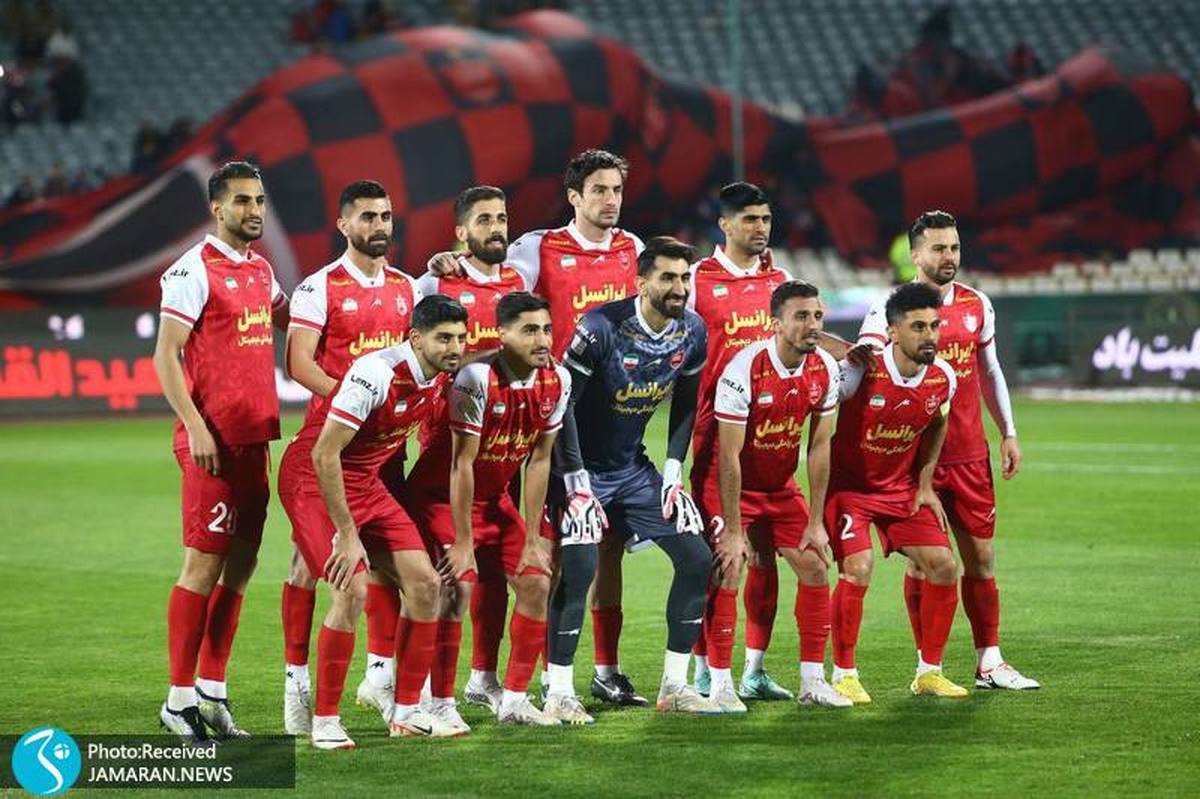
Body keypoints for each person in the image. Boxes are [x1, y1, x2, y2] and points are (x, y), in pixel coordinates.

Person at [429, 149, 646, 704]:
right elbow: (491, 276)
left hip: (610, 421)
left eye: (616, 189)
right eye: (599, 189)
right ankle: (520, 679)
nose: (610, 199)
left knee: (602, 547)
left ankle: (596, 670)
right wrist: (447, 261)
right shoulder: (536, 248)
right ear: (574, 196)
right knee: (548, 553)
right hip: (545, 416)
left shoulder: (633, 249)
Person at [277, 295, 469, 748]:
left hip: (365, 481)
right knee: (352, 589)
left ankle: (407, 710)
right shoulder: (376, 373)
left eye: (461, 338)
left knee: (427, 585)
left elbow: (479, 357)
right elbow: (324, 453)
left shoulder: (439, 374)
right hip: (312, 479)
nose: (455, 348)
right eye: (444, 338)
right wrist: (347, 535)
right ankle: (326, 720)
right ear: (415, 338)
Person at [856, 211, 1037, 690]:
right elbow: (868, 367)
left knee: (981, 558)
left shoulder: (977, 304)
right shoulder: (890, 309)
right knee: (924, 562)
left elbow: (990, 371)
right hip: (913, 459)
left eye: (954, 247)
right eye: (938, 248)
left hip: (969, 454)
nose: (949, 256)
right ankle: (927, 667)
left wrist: (1008, 432)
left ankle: (989, 661)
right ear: (916, 255)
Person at [544, 236, 718, 721]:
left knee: (696, 558)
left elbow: (686, 403)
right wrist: (575, 482)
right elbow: (564, 404)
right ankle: (558, 691)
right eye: (667, 277)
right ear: (641, 283)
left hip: (633, 470)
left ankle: (675, 686)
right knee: (579, 567)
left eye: (684, 278)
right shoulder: (600, 328)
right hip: (579, 470)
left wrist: (673, 472)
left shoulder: (692, 330)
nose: (679, 287)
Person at [153, 161, 289, 743]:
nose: (253, 210)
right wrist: (196, 428)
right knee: (203, 566)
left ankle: (212, 690)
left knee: (241, 567)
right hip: (211, 443)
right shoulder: (192, 270)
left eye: (259, 200)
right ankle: (178, 699)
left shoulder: (260, 269)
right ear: (217, 208)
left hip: (255, 439)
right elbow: (165, 355)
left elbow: (296, 315)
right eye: (241, 201)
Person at [280, 179, 421, 736]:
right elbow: (299, 363)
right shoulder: (319, 288)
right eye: (367, 217)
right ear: (343, 225)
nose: (379, 225)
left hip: (386, 454)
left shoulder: (408, 288)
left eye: (385, 216)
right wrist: (355, 402)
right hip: (332, 446)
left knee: (383, 563)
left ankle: (380, 675)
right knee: (309, 566)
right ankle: (296, 679)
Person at [402, 292, 569, 728]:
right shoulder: (476, 378)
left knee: (536, 582)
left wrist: (532, 538)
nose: (542, 340)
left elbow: (540, 460)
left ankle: (514, 700)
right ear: (502, 336)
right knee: (457, 587)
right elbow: (461, 464)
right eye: (529, 330)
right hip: (441, 498)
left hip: (495, 502)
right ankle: (440, 702)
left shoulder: (558, 380)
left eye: (546, 329)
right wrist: (462, 541)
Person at [700, 281, 852, 711]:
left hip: (780, 486)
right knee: (730, 566)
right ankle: (721, 683)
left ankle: (812, 681)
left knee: (815, 564)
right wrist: (733, 531)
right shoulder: (744, 369)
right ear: (776, 324)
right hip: (731, 485)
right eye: (801, 316)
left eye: (817, 316)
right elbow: (728, 456)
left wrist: (816, 522)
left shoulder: (824, 368)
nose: (812, 325)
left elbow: (819, 448)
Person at [414, 185, 529, 713]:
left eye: (501, 218)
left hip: (504, 446)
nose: (496, 228)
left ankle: (483, 677)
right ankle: (418, 685)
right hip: (446, 440)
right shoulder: (435, 282)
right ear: (461, 232)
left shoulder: (518, 281)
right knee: (445, 579)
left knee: (496, 574)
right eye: (483, 220)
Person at [827, 282, 966, 702]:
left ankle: (929, 672)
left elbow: (938, 422)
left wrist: (925, 484)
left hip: (900, 490)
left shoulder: (943, 377)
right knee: (859, 566)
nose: (930, 336)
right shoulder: (861, 370)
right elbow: (815, 373)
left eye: (935, 326)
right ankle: (843, 674)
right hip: (849, 490)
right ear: (892, 332)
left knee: (944, 565)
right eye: (918, 327)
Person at [685, 181, 791, 702]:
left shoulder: (781, 279)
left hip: (772, 441)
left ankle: (755, 668)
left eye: (765, 219)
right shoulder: (696, 280)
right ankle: (705, 667)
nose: (760, 228)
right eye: (750, 219)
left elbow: (799, 338)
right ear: (724, 224)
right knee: (723, 559)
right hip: (716, 438)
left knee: (768, 558)